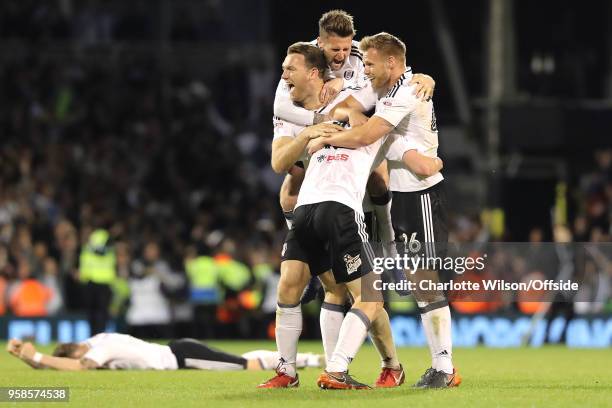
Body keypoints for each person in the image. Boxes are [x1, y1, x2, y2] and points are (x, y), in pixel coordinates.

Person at [259, 42, 442, 390]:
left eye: (290, 70)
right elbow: (283, 160)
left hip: (326, 210)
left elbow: (389, 77)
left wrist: (422, 77)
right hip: (331, 209)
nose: (284, 78)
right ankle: (326, 369)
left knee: (333, 292)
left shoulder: (348, 112)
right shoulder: (317, 117)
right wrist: (434, 163)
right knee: (359, 294)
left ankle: (377, 366)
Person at [312, 31, 461, 388]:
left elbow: (366, 135)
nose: (366, 70)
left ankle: (444, 367)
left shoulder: (407, 91)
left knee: (423, 280)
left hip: (420, 196)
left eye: (371, 63)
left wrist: (325, 137)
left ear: (392, 63)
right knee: (409, 281)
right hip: (401, 196)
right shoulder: (388, 89)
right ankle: (436, 367)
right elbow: (344, 107)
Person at [7, 334, 323, 372]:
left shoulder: (100, 349)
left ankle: (300, 361)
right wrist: (26, 356)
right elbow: (67, 364)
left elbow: (80, 368)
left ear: (77, 351)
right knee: (237, 360)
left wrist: (35, 358)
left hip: (180, 358)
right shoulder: (97, 338)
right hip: (178, 351)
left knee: (245, 367)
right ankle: (302, 358)